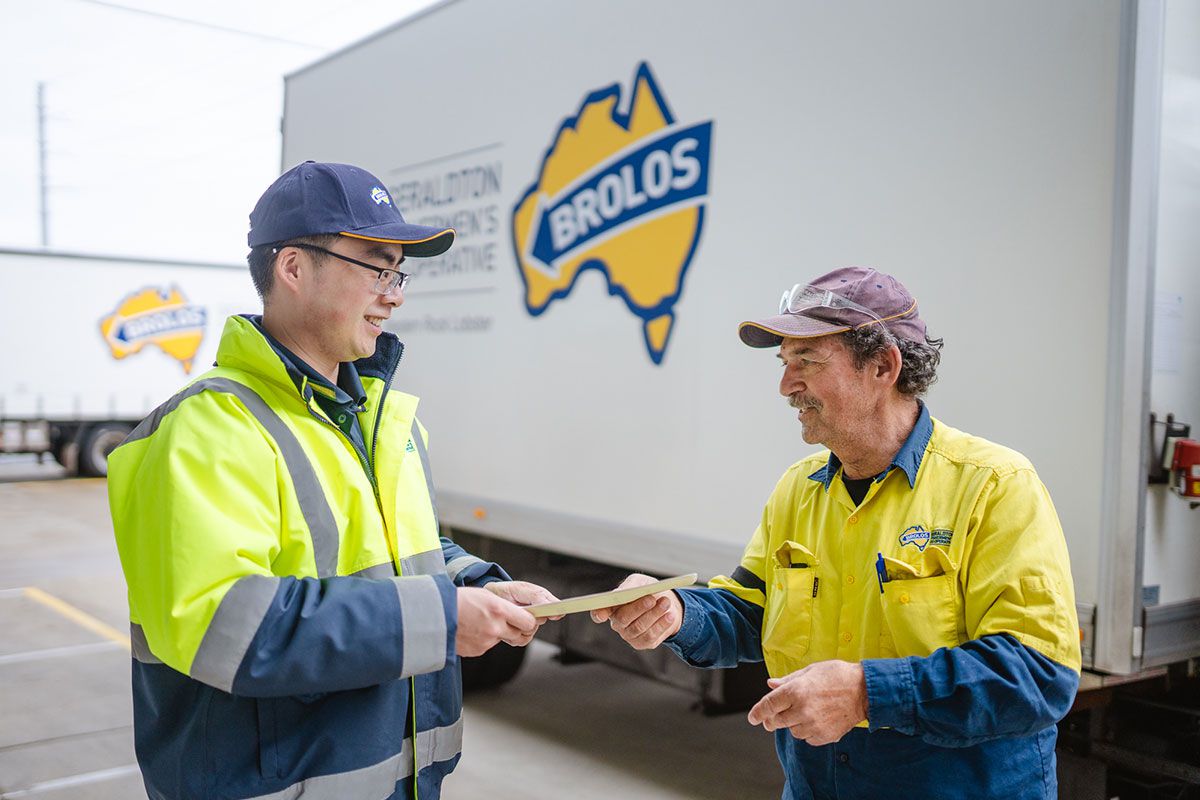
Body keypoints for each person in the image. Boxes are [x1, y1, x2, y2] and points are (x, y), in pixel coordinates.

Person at [108, 161, 558, 800]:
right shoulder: (205, 429)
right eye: (378, 266)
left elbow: (401, 559)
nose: (395, 293)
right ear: (293, 268)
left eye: (399, 272)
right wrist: (439, 617)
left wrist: (477, 584)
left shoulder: (384, 422)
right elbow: (224, 626)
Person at [592, 267, 1081, 800]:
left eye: (808, 362)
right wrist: (678, 613)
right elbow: (752, 611)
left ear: (882, 366)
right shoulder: (798, 490)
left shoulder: (995, 486)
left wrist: (864, 695)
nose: (786, 385)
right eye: (785, 363)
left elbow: (1038, 675)